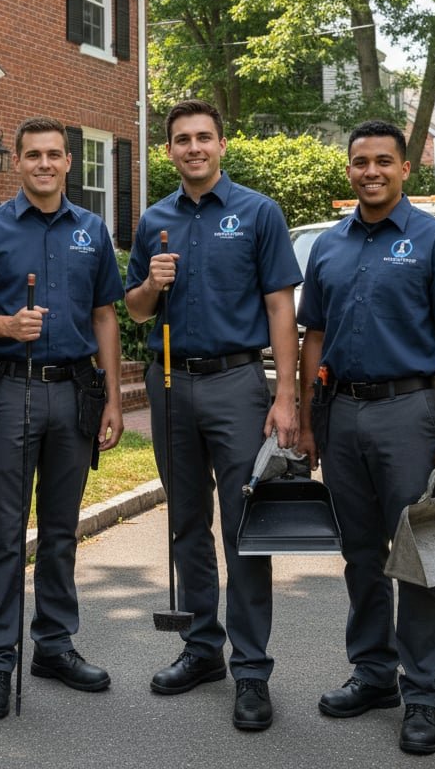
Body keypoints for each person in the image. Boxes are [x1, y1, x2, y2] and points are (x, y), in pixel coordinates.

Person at [296, 120, 435, 756]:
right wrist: (309, 419)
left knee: (421, 560)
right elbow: (312, 338)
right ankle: (374, 675)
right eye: (360, 162)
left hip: (410, 415)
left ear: (405, 169)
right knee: (360, 554)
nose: (370, 171)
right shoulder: (327, 247)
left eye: (383, 161)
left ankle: (423, 693)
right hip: (341, 415)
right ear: (347, 169)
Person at [124, 98, 300, 732]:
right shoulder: (154, 220)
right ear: (168, 150)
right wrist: (151, 283)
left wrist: (286, 395)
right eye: (180, 140)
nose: (192, 148)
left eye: (203, 137)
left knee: (245, 527)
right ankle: (202, 649)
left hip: (237, 384)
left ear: (222, 144)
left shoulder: (258, 213)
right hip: (170, 383)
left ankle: (251, 670)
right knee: (186, 522)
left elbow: (281, 308)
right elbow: (137, 311)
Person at [0, 115, 125, 720]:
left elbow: (106, 315)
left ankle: (53, 644)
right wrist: (5, 326)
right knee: (3, 534)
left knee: (59, 530)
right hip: (8, 392)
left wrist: (112, 396)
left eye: (55, 154)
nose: (44, 164)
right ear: (18, 162)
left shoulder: (92, 230)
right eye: (33, 155)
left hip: (74, 393)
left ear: (69, 162)